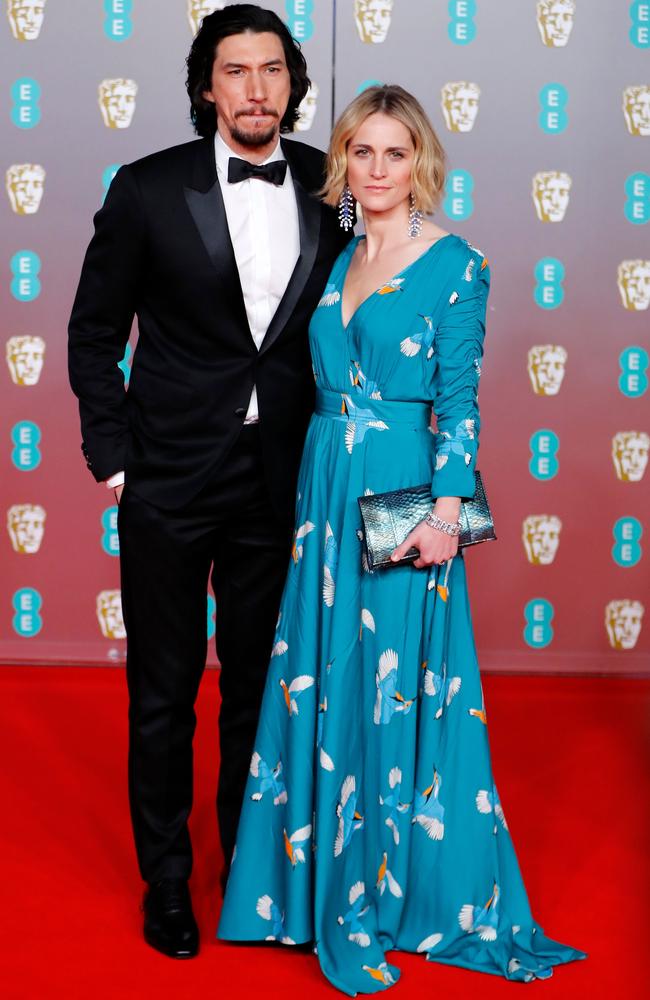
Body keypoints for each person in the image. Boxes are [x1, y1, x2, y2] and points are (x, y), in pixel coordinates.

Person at [218, 85, 587, 992]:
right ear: (342, 162)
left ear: (420, 163)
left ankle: (381, 901)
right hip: (323, 491)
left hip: (400, 495)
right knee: (322, 678)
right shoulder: (341, 255)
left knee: (384, 696)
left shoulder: (457, 262)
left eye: (394, 154)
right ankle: (309, 894)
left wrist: (447, 517)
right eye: (362, 154)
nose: (377, 171)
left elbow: (460, 398)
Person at [68, 4, 347, 960]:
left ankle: (247, 875)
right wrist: (113, 459)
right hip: (168, 481)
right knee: (164, 690)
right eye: (237, 71)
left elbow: (371, 298)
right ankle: (169, 885)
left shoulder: (332, 185)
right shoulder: (146, 190)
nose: (257, 88)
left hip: (284, 482)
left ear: (293, 83)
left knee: (260, 693)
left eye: (272, 69)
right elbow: (93, 332)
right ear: (206, 86)